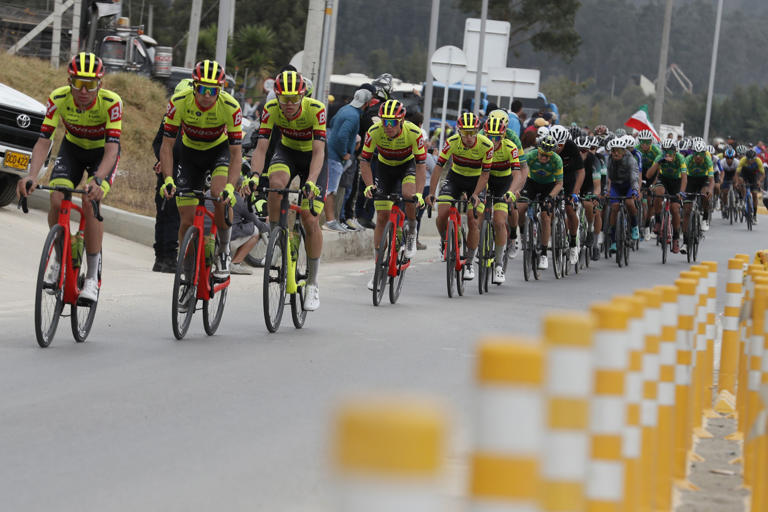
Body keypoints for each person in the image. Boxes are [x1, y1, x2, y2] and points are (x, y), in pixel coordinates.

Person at [17, 52, 122, 303]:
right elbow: (44, 141)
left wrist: (98, 180)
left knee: (90, 202)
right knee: (56, 199)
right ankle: (59, 259)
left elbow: (112, 149)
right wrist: (31, 175)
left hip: (102, 154)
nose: (84, 90)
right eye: (78, 83)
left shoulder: (111, 102)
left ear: (100, 84)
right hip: (72, 149)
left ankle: (92, 277)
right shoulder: (58, 98)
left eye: (91, 84)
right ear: (69, 81)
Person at [245, 70, 327, 311]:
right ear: (277, 96)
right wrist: (254, 176)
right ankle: (276, 236)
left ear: (303, 96)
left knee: (309, 217)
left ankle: (312, 283)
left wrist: (311, 181)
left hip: (313, 157)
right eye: (284, 99)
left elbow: (319, 152)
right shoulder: (272, 108)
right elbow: (261, 149)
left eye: (294, 99)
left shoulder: (316, 109)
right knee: (275, 186)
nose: (289, 104)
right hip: (288, 152)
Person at [159, 60, 243, 290]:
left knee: (218, 195)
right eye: (202, 89)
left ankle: (224, 250)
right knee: (186, 220)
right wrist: (168, 178)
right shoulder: (179, 101)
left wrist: (230, 187)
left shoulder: (230, 106)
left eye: (213, 90)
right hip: (189, 154)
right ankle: (188, 279)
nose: (207, 95)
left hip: (219, 153)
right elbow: (167, 145)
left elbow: (236, 154)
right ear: (194, 86)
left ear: (221, 89)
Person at [360, 99, 426, 289]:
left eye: (391, 122)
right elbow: (364, 162)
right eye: (384, 121)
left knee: (408, 193)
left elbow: (421, 166)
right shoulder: (374, 132)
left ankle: (412, 230)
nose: (387, 126)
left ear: (401, 121)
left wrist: (420, 194)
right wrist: (369, 185)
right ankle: (378, 270)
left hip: (407, 166)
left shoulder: (414, 132)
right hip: (385, 168)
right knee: (381, 217)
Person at [426, 112, 494, 280]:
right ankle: (445, 241)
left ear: (478, 130)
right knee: (442, 214)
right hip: (455, 178)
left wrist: (476, 194)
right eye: (465, 133)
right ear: (459, 132)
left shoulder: (487, 145)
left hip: (476, 182)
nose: (469, 137)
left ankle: (469, 262)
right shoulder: (452, 142)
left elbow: (485, 175)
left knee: (472, 219)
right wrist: (431, 193)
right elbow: (438, 168)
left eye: (473, 132)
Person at [149, 79, 190, 273]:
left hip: (184, 172)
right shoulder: (169, 119)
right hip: (166, 172)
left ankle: (172, 257)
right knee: (163, 213)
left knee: (176, 214)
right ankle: (161, 257)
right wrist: (162, 161)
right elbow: (159, 144)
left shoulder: (197, 123)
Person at [325, 88, 372, 231]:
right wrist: (344, 152)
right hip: (335, 157)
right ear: (367, 104)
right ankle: (330, 221)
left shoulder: (345, 109)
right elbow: (342, 135)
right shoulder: (354, 116)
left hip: (331, 153)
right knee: (331, 190)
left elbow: (333, 123)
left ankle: (332, 219)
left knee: (331, 188)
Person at [482, 115, 522, 284]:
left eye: (496, 137)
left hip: (503, 184)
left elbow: (517, 173)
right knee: (475, 216)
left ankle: (499, 265)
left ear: (503, 136)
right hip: (485, 180)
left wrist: (512, 191)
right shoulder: (481, 145)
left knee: (499, 222)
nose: (492, 141)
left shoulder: (510, 147)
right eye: (489, 136)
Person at [516, 136, 564, 270]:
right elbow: (520, 173)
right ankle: (522, 231)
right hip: (531, 183)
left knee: (545, 216)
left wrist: (550, 197)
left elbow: (560, 183)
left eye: (547, 156)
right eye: (542, 155)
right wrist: (518, 189)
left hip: (549, 186)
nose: (544, 158)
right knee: (519, 208)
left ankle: (543, 253)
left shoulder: (557, 160)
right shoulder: (530, 155)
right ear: (538, 150)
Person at [550, 125, 585, 265]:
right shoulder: (547, 144)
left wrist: (575, 193)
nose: (557, 147)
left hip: (569, 179)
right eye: (555, 143)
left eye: (560, 144)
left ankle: (572, 242)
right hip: (553, 179)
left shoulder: (571, 147)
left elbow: (581, 172)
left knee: (570, 210)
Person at [646, 139, 687, 254]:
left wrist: (682, 192)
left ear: (675, 151)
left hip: (676, 182)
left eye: (671, 152)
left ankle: (675, 239)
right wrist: (660, 161)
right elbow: (649, 174)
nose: (668, 154)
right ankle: (658, 221)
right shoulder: (660, 157)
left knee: (675, 209)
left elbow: (684, 177)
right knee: (658, 193)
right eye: (666, 152)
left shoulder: (680, 158)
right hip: (663, 179)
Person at [605, 137, 640, 254]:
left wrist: (635, 190)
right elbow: (606, 177)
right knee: (614, 207)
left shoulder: (631, 160)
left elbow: (634, 176)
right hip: (616, 185)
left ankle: (634, 226)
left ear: (624, 151)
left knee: (629, 202)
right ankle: (614, 241)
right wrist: (606, 190)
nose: (615, 153)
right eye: (613, 150)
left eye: (619, 151)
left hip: (628, 185)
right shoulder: (609, 160)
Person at [682, 140, 715, 241]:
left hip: (703, 179)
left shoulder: (708, 160)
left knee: (705, 194)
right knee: (687, 210)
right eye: (696, 154)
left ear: (704, 153)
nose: (698, 157)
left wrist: (710, 190)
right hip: (690, 180)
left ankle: (705, 218)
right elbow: (682, 176)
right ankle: (685, 239)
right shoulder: (687, 159)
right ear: (693, 153)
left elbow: (711, 180)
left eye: (701, 154)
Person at [736, 148, 765, 224]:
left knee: (754, 194)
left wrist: (759, 181)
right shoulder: (743, 160)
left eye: (752, 159)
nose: (750, 161)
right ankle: (743, 198)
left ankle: (754, 215)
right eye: (749, 159)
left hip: (753, 176)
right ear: (746, 158)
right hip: (744, 174)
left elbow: (763, 174)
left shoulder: (758, 161)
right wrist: (737, 182)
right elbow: (737, 173)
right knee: (741, 183)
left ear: (755, 158)